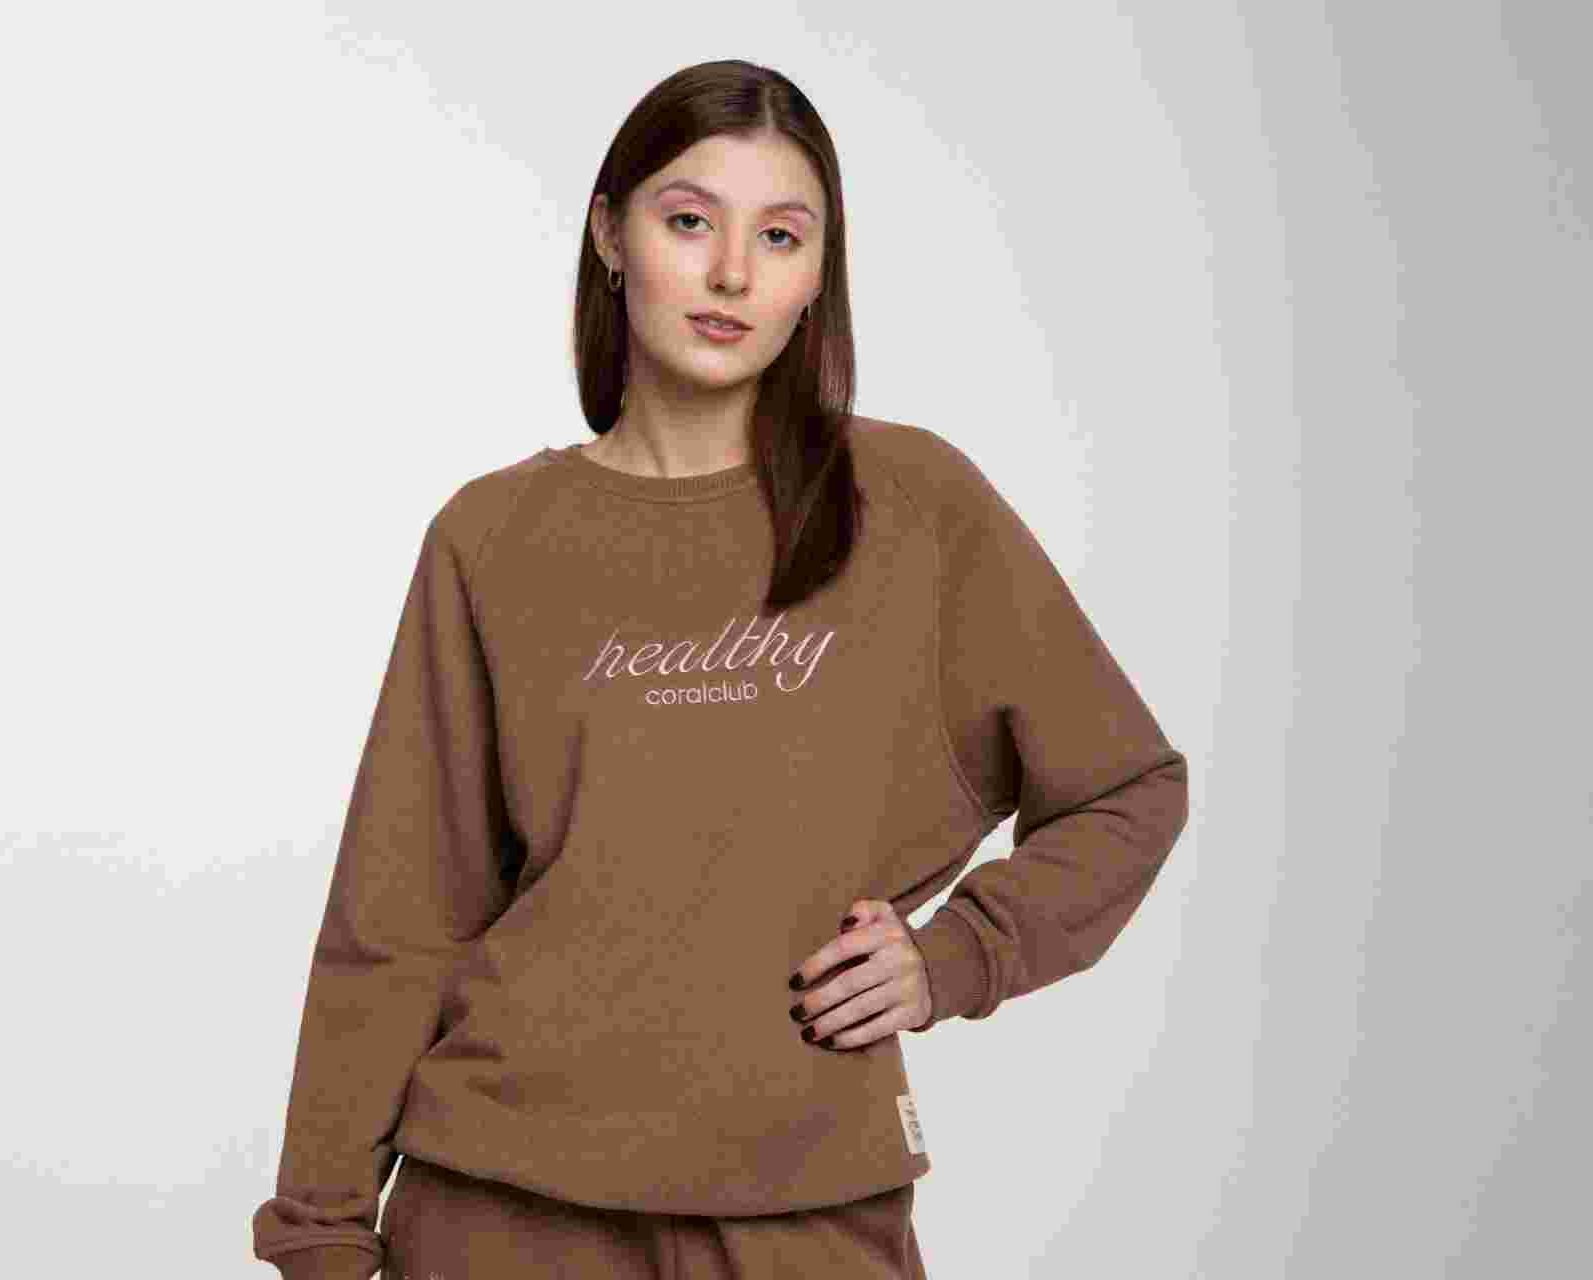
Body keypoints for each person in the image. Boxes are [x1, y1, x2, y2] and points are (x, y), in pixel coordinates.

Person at [250, 57, 1189, 1280]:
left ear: (818, 274)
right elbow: (397, 914)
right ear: (610, 234)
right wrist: (322, 1232)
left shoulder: (916, 506)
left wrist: (955, 955)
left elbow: (1126, 787)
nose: (733, 273)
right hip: (501, 1208)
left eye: (781, 235)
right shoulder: (493, 536)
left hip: (807, 1206)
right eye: (690, 221)